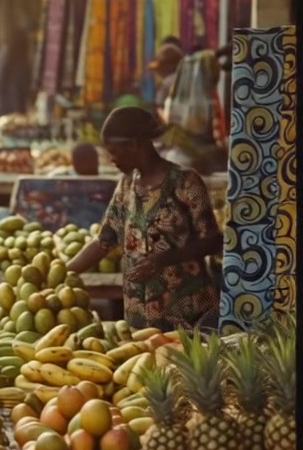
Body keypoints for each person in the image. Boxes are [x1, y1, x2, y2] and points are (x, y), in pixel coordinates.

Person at [66, 106, 222, 333]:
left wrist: (162, 260)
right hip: (139, 312)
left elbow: (213, 241)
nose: (111, 159)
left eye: (114, 151)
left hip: (186, 308)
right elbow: (104, 241)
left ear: (133, 145)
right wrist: (63, 273)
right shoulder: (127, 184)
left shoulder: (185, 182)